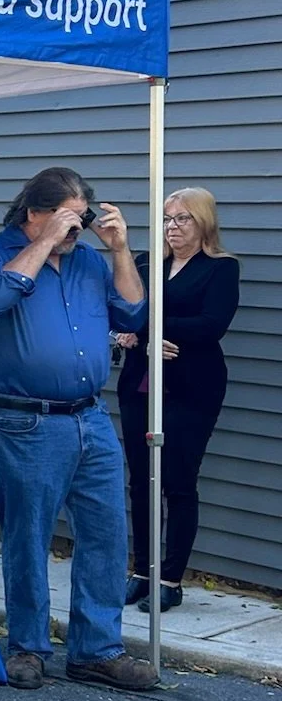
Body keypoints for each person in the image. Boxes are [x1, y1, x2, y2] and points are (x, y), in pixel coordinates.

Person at [0, 166, 154, 693]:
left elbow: (134, 314)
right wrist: (45, 241)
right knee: (28, 535)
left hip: (90, 416)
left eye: (80, 220)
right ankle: (27, 646)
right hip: (24, 419)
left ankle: (96, 649)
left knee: (106, 533)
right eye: (66, 220)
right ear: (35, 213)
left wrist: (118, 250)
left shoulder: (90, 260)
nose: (75, 231)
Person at [117, 187, 240, 613]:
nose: (172, 227)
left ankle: (170, 579)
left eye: (182, 218)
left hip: (192, 389)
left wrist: (148, 327)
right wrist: (129, 335)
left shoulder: (221, 269)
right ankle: (142, 572)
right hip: (140, 384)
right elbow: (120, 310)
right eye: (168, 218)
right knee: (140, 480)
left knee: (178, 481)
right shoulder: (146, 264)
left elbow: (212, 324)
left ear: (204, 221)